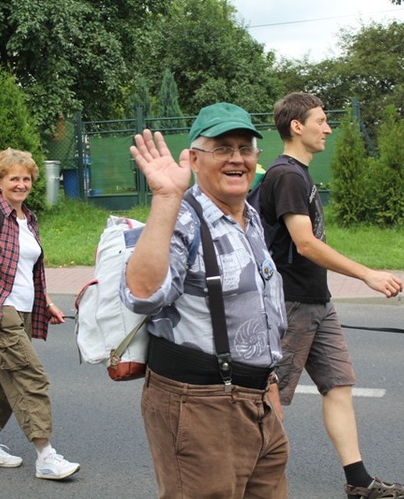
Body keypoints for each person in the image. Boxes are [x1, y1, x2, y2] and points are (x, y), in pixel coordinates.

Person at [121, 103, 289, 498]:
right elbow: (142, 296)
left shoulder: (250, 216)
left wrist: (270, 395)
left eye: (245, 148)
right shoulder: (181, 217)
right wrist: (166, 197)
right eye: (223, 148)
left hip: (258, 403)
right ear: (195, 159)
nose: (236, 158)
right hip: (200, 406)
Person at [257, 92, 404, 499]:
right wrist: (367, 275)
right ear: (297, 126)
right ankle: (251, 481)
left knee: (338, 385)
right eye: (321, 121)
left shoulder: (298, 173)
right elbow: (305, 243)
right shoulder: (288, 175)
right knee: (269, 399)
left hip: (316, 301)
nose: (327, 128)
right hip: (292, 303)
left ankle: (359, 482)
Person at [0, 117, 80, 481]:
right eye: (13, 179)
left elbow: (30, 269)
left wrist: (46, 300)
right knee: (29, 376)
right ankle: (45, 454)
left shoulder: (30, 219)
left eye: (26, 178)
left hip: (22, 308)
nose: (21, 184)